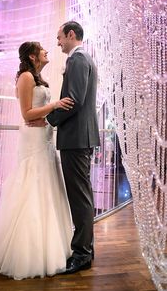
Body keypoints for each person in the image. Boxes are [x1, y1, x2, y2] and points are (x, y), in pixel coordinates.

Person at [0, 41, 74, 280]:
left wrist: (48, 115)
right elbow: (26, 114)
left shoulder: (38, 78)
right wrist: (54, 105)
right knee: (33, 186)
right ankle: (31, 252)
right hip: (33, 139)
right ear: (34, 56)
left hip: (43, 135)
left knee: (48, 186)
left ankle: (53, 244)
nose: (47, 51)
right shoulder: (25, 77)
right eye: (42, 49)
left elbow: (38, 112)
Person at [46, 21, 100, 274]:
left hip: (76, 139)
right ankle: (86, 248)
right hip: (81, 138)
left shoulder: (77, 60)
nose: (58, 42)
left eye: (59, 37)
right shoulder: (83, 59)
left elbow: (75, 100)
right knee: (83, 195)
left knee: (79, 197)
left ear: (70, 34)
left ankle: (81, 254)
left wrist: (51, 119)